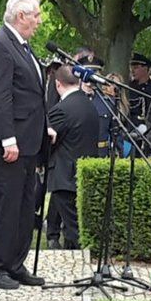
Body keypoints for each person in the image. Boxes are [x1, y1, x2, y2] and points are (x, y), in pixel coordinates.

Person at [0, 0, 48, 290]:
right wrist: (8, 138)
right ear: (21, 16)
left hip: (28, 140)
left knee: (24, 204)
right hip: (8, 142)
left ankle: (15, 263)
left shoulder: (24, 47)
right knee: (7, 204)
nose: (39, 21)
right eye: (36, 15)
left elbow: (29, 95)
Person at [45, 66, 100, 250]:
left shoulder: (61, 109)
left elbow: (50, 140)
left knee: (73, 229)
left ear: (57, 84)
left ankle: (77, 262)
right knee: (76, 225)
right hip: (83, 172)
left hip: (65, 174)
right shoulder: (90, 105)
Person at [128, 52, 151, 128]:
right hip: (131, 126)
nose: (132, 71)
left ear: (145, 69)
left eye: (136, 68)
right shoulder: (129, 87)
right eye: (131, 68)